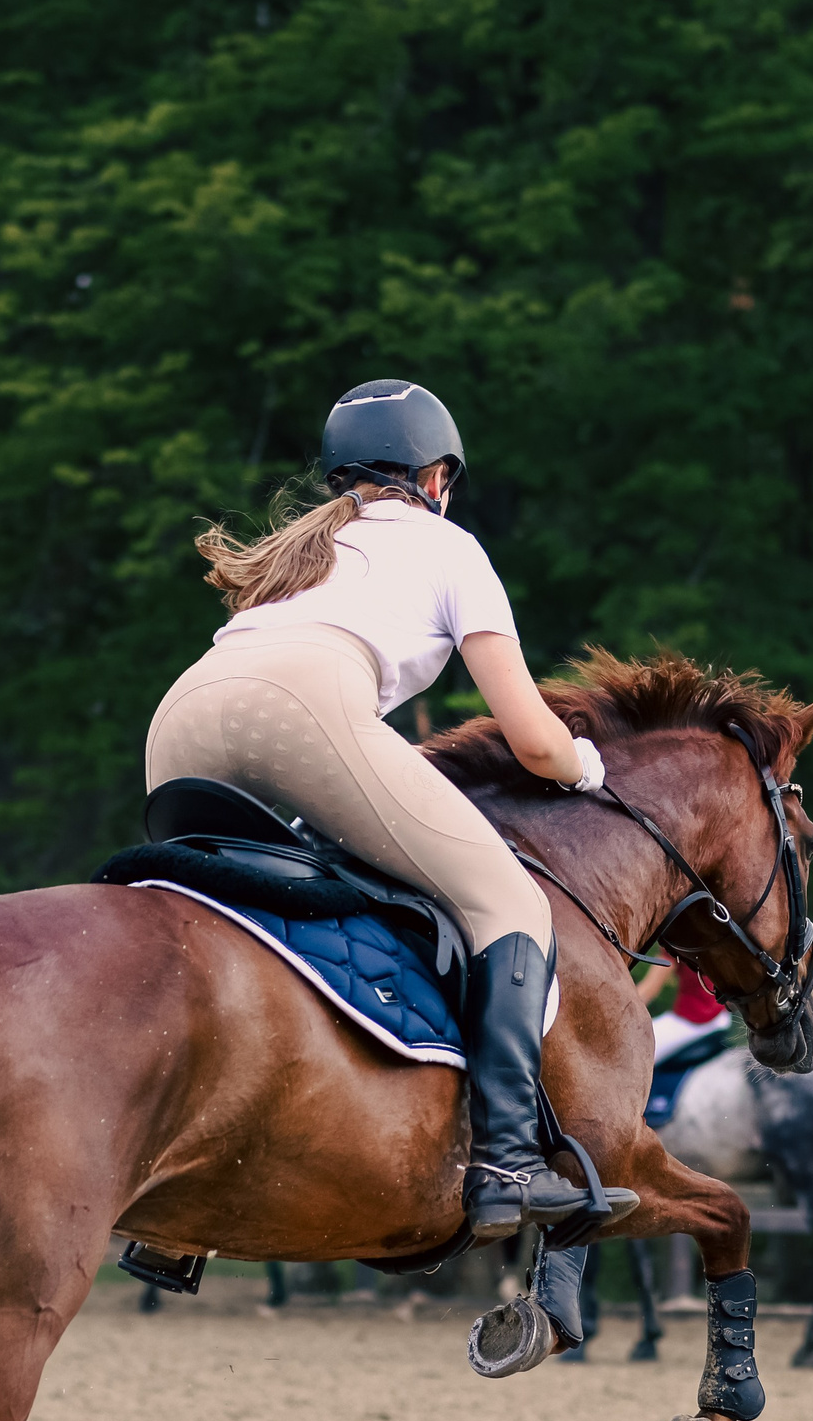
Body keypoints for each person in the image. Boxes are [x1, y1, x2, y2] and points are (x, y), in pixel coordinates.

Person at [147, 378, 621, 1242]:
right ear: (437, 476)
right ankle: (508, 1163)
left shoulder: (305, 549)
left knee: (252, 915)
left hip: (181, 719)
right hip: (299, 711)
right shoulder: (451, 549)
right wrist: (590, 769)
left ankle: (175, 1223)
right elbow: (536, 742)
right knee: (510, 903)